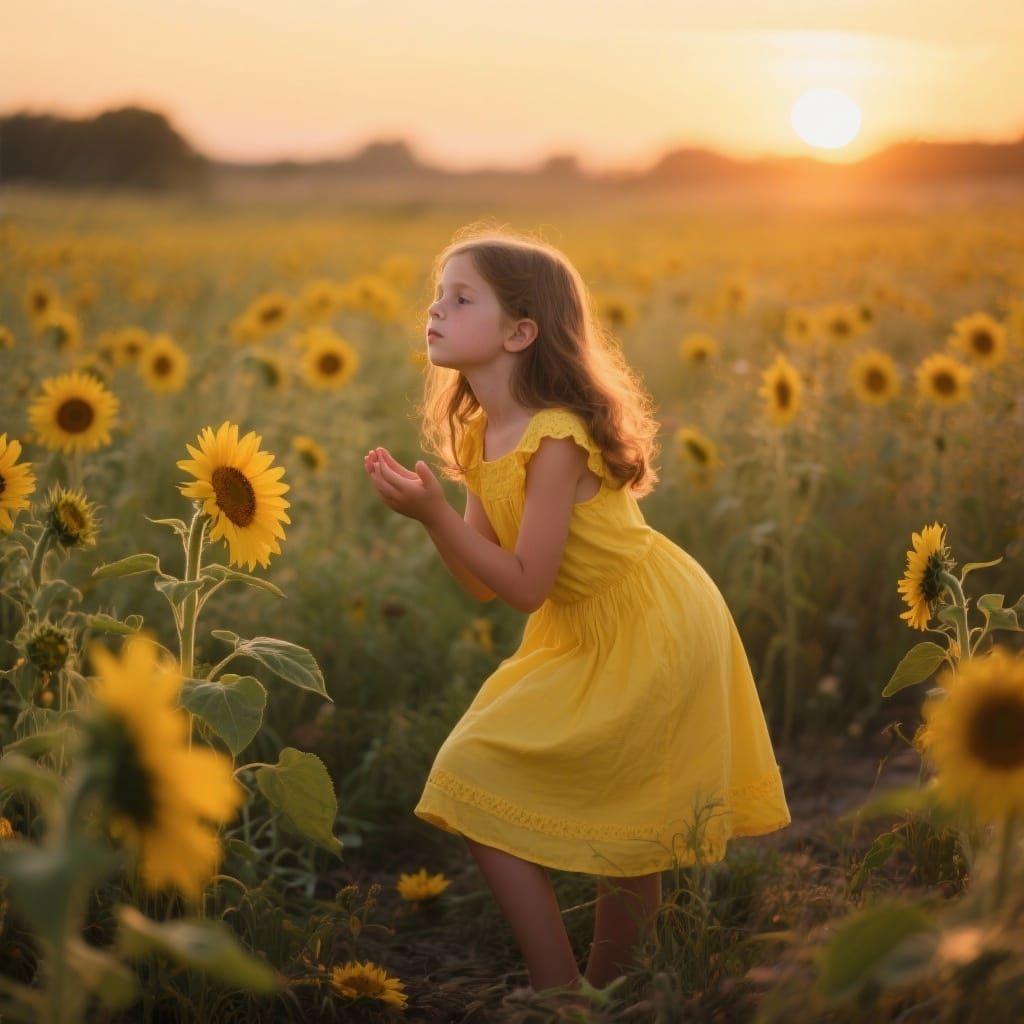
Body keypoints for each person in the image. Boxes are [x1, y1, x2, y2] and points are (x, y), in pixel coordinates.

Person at [363, 225, 791, 1001]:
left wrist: (434, 517)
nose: (434, 310)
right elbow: (482, 583)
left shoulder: (554, 437)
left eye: (461, 299)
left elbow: (525, 584)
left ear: (520, 332)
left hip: (652, 621)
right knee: (479, 770)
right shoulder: (476, 428)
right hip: (583, 626)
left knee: (618, 816)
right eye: (437, 295)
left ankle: (573, 993)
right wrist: (434, 516)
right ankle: (591, 994)